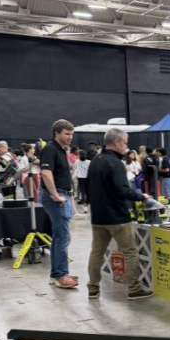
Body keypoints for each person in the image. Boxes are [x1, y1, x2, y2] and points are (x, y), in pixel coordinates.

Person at [86, 128, 153, 302]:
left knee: (96, 254)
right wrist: (141, 197)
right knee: (130, 252)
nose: (126, 146)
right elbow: (123, 190)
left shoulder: (95, 161)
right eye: (124, 142)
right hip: (117, 217)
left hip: (98, 217)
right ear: (116, 142)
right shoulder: (115, 163)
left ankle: (93, 289)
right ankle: (134, 289)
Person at [39, 119, 78, 289]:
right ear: (57, 133)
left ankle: (57, 274)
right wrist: (55, 195)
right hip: (56, 196)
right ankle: (61, 274)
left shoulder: (61, 150)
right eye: (67, 134)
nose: (70, 137)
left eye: (71, 134)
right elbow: (46, 173)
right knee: (63, 236)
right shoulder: (50, 149)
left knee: (58, 237)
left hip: (63, 195)